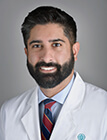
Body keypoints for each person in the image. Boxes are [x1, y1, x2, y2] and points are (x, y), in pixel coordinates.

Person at [0, 6, 107, 140]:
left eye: (56, 45)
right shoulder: (8, 112)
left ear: (74, 51)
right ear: (27, 52)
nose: (46, 57)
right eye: (37, 46)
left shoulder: (104, 109)